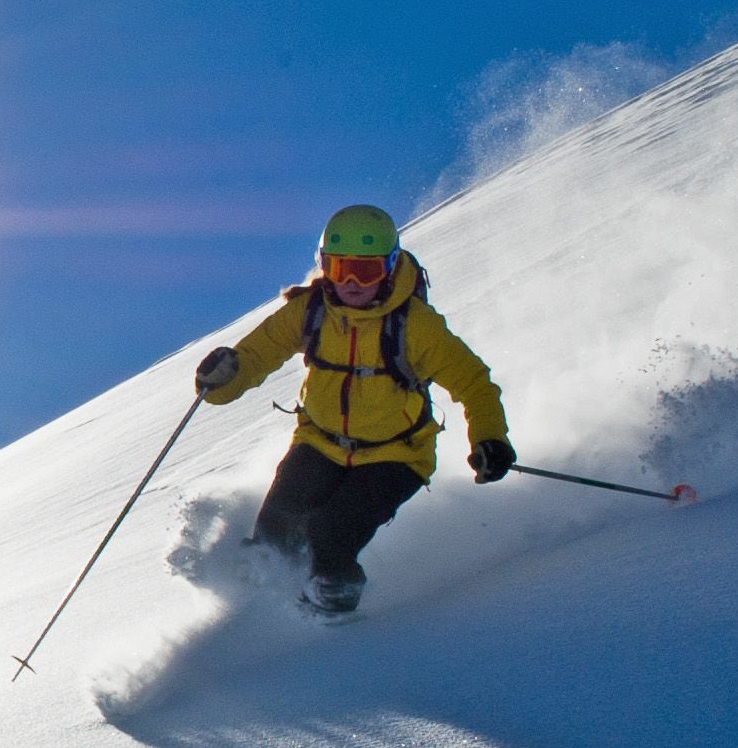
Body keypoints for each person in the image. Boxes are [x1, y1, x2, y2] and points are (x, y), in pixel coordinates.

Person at [189, 204, 515, 616]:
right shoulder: (310, 312)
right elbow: (254, 356)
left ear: (391, 268)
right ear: (323, 266)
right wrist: (217, 382)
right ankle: (258, 617)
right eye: (340, 268)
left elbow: (474, 383)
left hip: (396, 455)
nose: (352, 282)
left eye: (367, 270)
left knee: (331, 533)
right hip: (319, 442)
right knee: (274, 531)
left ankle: (333, 625)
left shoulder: (414, 325)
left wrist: (489, 438)